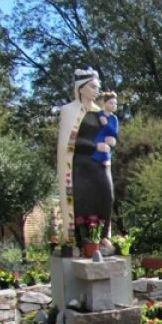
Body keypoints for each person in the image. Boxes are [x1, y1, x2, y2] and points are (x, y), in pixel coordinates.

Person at [55, 69, 114, 249]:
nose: (96, 91)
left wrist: (110, 139)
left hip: (100, 164)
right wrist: (93, 146)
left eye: (98, 87)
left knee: (107, 195)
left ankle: (103, 236)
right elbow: (68, 141)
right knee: (81, 200)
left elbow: (108, 134)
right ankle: (81, 240)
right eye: (92, 87)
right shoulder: (69, 111)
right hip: (79, 165)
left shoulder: (100, 113)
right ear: (81, 88)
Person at [92, 91, 119, 163]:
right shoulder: (97, 115)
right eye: (111, 103)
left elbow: (115, 134)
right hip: (96, 148)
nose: (114, 105)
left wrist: (105, 125)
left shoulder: (114, 118)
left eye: (115, 104)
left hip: (107, 150)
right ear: (104, 103)